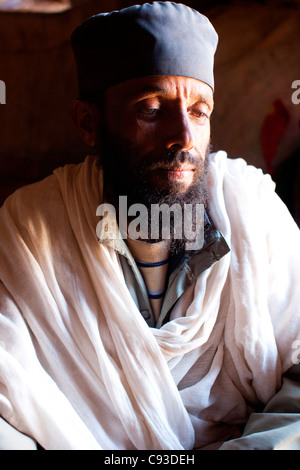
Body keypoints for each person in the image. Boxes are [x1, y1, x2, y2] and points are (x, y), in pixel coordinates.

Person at [0, 1, 300, 451]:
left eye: (199, 111)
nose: (184, 137)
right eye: (152, 108)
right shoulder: (30, 228)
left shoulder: (252, 211)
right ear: (89, 122)